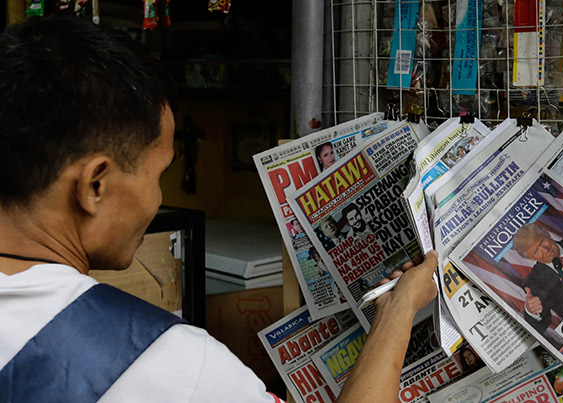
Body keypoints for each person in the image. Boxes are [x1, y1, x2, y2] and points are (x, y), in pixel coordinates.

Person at [0, 14, 438, 403]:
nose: (156, 198)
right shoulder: (167, 363)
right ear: (94, 184)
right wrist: (398, 311)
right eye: (158, 175)